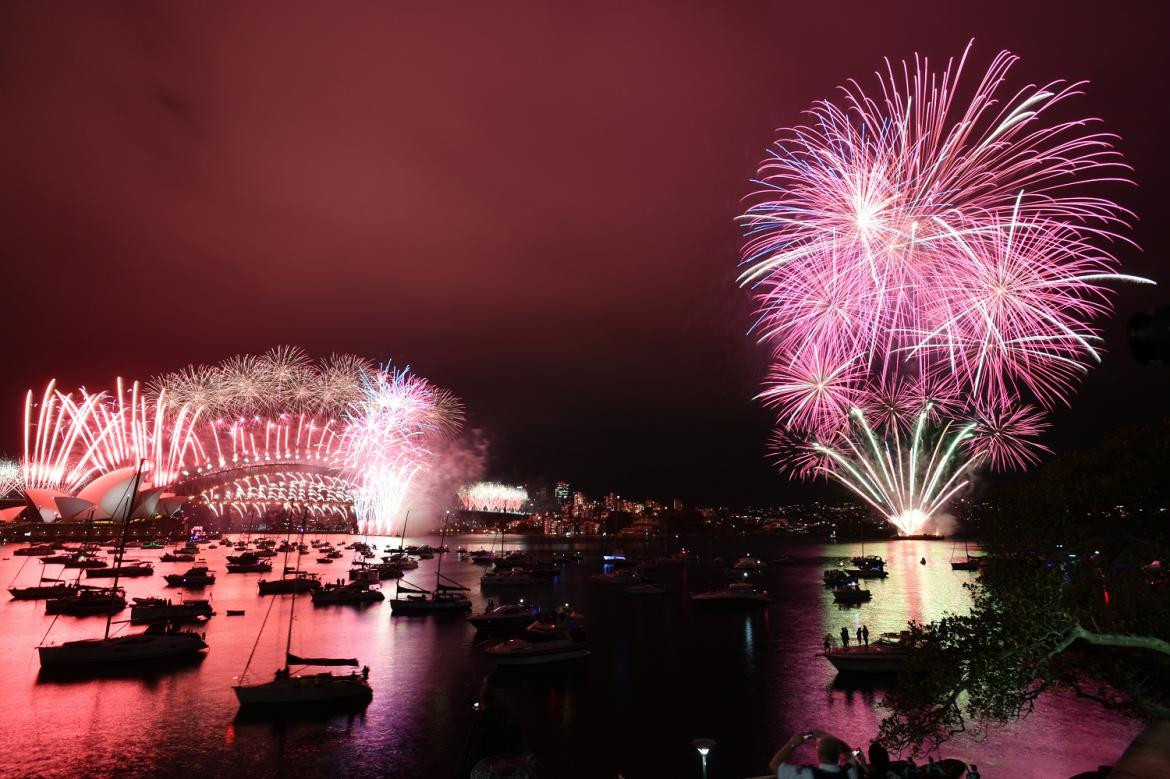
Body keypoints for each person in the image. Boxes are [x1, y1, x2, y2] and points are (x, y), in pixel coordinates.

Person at [767, 729, 863, 778]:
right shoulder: (850, 773)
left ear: (818, 752)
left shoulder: (808, 774)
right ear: (838, 753)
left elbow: (774, 765)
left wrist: (792, 744)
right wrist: (825, 736)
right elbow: (847, 750)